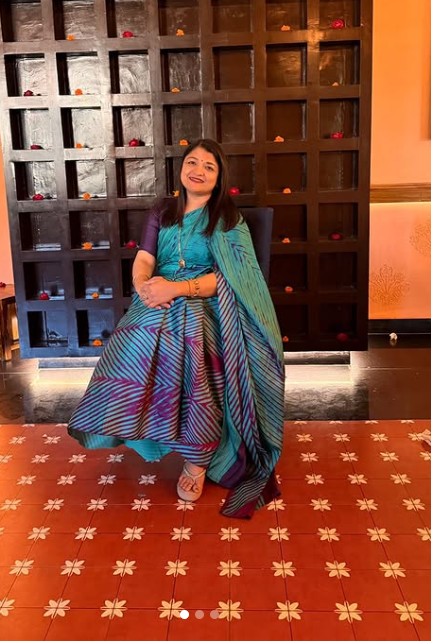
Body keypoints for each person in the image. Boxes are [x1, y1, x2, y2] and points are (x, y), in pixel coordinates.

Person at [68, 139, 285, 519]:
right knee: (134, 337)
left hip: (205, 301)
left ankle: (197, 459)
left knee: (193, 343)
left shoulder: (228, 219)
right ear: (182, 169)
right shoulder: (163, 211)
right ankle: (145, 425)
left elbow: (235, 279)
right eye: (192, 162)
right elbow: (145, 257)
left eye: (209, 166)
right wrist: (143, 287)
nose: (198, 170)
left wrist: (178, 288)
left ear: (219, 178)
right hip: (157, 294)